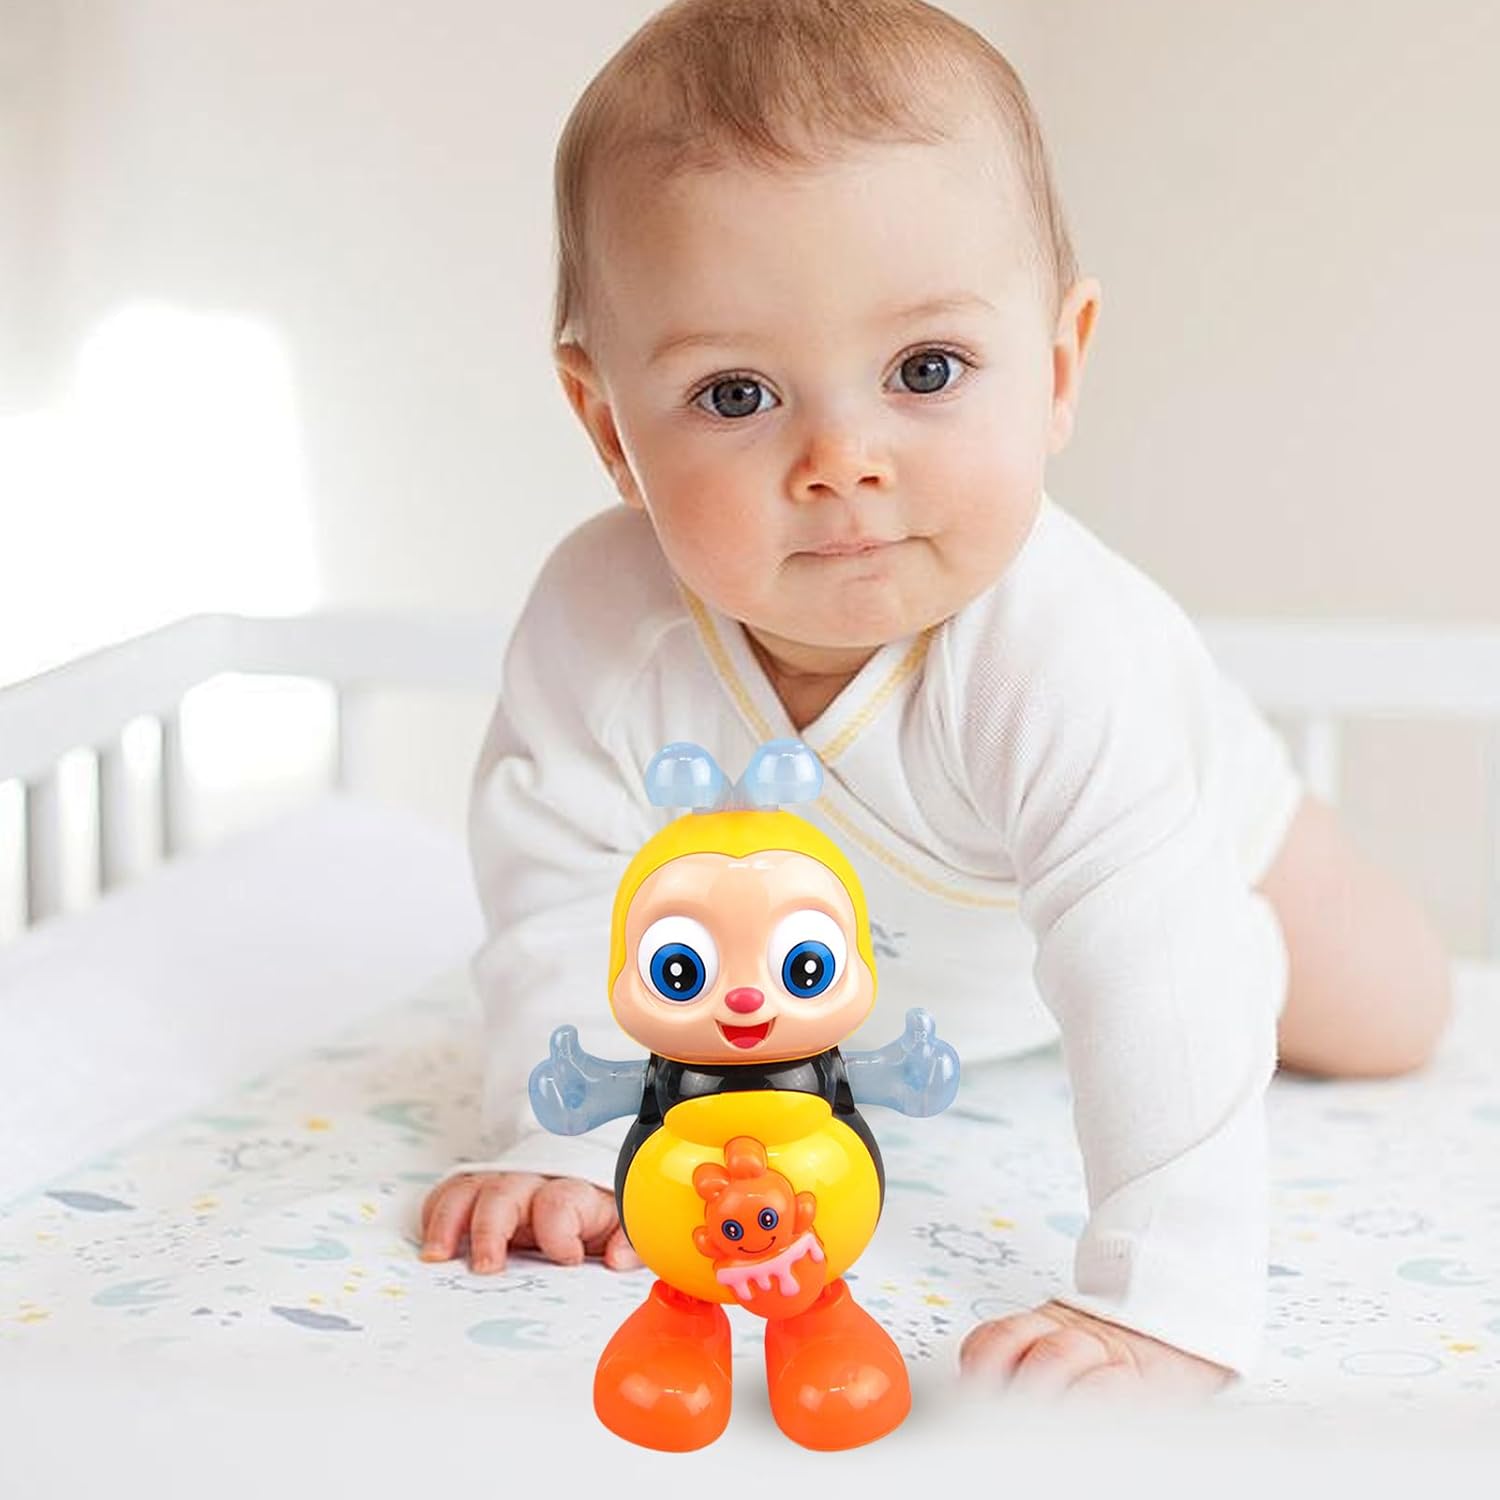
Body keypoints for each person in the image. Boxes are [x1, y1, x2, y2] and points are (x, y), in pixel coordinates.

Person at [420, 0, 1451, 1398]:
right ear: (610, 425)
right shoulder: (603, 625)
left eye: (926, 371)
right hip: (890, 981)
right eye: (736, 394)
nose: (841, 458)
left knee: (1386, 1019)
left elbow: (1144, 953)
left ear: (1058, 370)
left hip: (1183, 839)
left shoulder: (1061, 650)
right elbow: (561, 895)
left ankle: (1246, 947)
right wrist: (561, 1144)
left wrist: (1161, 1301)